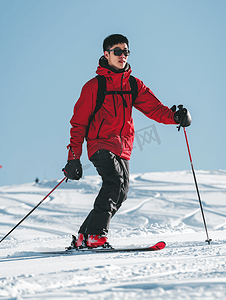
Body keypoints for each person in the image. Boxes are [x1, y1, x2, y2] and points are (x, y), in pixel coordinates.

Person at [63, 34, 191, 249]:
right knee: (114, 183)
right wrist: (74, 158)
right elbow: (78, 124)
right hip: (100, 143)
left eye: (126, 51)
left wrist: (174, 117)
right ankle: (96, 235)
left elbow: (154, 108)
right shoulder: (94, 86)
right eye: (117, 51)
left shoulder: (133, 84)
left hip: (123, 148)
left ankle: (84, 236)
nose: (122, 55)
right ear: (106, 54)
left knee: (120, 191)